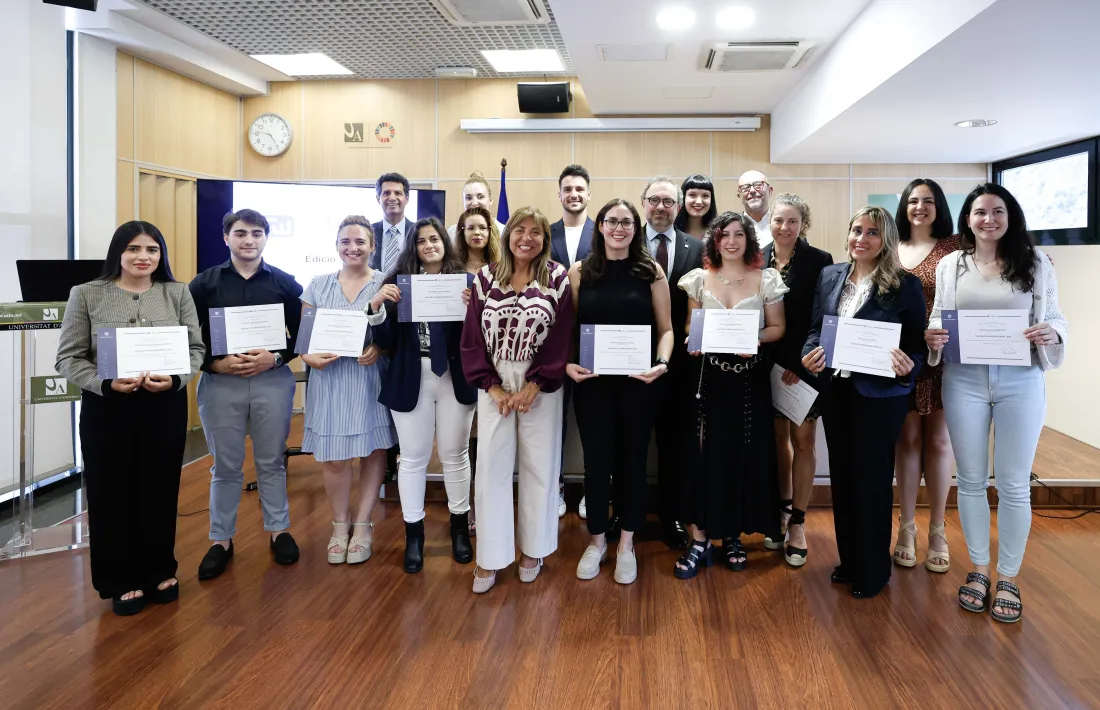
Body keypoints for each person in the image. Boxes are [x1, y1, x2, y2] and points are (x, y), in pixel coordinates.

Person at [927, 183, 1066, 623]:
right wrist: (933, 338)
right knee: (968, 478)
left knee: (1012, 483)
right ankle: (979, 570)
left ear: (1011, 217)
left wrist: (1053, 333)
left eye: (998, 211)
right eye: (980, 211)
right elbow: (938, 319)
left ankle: (1008, 575)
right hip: (964, 379)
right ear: (967, 219)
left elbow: (1056, 318)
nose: (989, 219)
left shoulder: (1037, 262)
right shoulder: (951, 265)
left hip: (1021, 379)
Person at [55, 221, 205, 616]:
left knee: (158, 490)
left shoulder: (177, 292)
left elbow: (195, 349)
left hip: (163, 405)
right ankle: (119, 580)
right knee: (111, 493)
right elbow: (68, 357)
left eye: (152, 250)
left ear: (161, 255)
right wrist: (104, 384)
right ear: (117, 253)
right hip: (108, 409)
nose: (143, 257)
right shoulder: (86, 294)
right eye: (134, 249)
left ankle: (159, 570)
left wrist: (174, 379)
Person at [801, 206, 926, 598]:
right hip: (837, 393)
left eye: (872, 232)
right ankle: (850, 560)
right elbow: (815, 329)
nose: (862, 238)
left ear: (885, 239)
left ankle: (873, 572)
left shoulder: (905, 284)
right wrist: (809, 354)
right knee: (842, 478)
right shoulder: (830, 275)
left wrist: (909, 365)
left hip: (880, 396)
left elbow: (916, 345)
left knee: (871, 482)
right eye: (857, 230)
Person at [461, 206, 574, 594]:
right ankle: (490, 556)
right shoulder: (485, 279)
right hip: (493, 378)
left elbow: (562, 336)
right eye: (519, 230)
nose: (526, 237)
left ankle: (534, 550)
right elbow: (472, 337)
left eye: (536, 232)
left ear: (545, 238)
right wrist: (492, 386)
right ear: (507, 235)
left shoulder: (557, 278)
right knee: (491, 467)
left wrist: (535, 384)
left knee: (540, 466)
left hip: (539, 380)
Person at [190, 208, 304, 580]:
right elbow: (187, 338)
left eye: (256, 233)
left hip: (272, 381)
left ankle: (279, 530)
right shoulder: (203, 285)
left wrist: (276, 357)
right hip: (221, 383)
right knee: (226, 466)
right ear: (226, 238)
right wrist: (213, 364)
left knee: (271, 461)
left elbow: (303, 335)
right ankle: (220, 539)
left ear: (266, 238)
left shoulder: (284, 283)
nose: (249, 240)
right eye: (240, 233)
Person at [673, 213, 787, 578]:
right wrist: (695, 341)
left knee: (743, 455)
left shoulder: (766, 278)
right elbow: (691, 325)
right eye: (725, 235)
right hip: (709, 378)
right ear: (715, 241)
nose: (732, 241)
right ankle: (700, 537)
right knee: (705, 455)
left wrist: (753, 338)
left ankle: (732, 534)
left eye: (740, 234)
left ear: (749, 240)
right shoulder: (699, 279)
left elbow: (778, 328)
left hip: (749, 380)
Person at [567, 199, 673, 585]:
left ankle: (626, 543)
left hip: (638, 385)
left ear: (636, 227)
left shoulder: (651, 271)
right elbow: (570, 328)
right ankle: (596, 542)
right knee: (596, 465)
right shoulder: (580, 271)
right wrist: (567, 363)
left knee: (632, 465)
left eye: (626, 222)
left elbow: (666, 329)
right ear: (600, 226)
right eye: (611, 221)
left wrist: (662, 362)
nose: (619, 228)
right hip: (592, 386)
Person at [370, 217, 476, 572]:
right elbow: (384, 343)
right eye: (421, 241)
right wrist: (377, 308)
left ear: (445, 242)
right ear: (412, 247)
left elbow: (478, 339)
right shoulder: (396, 284)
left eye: (435, 239)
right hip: (410, 379)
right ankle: (414, 536)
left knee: (455, 455)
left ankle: (460, 530)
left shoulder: (467, 283)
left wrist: (473, 307)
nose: (429, 245)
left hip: (454, 379)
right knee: (412, 458)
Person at [299, 216, 397, 566]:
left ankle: (363, 524)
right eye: (346, 242)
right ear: (337, 246)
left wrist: (381, 349)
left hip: (369, 378)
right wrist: (310, 357)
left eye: (360, 242)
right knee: (334, 458)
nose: (353, 248)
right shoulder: (318, 285)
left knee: (371, 452)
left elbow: (397, 335)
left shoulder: (386, 283)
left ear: (373, 246)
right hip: (329, 381)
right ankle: (339, 525)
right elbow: (304, 339)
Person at [761, 193, 834, 567]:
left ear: (802, 224)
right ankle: (780, 512)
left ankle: (799, 522)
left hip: (803, 366)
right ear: (769, 223)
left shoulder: (820, 262)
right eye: (778, 221)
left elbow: (823, 317)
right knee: (775, 441)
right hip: (764, 364)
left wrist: (801, 363)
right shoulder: (755, 257)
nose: (784, 228)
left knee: (802, 439)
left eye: (792, 221)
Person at [892, 179, 960, 573]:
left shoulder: (954, 247)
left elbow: (993, 260)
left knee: (938, 441)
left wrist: (1038, 260)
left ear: (939, 207)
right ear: (904, 206)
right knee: (908, 439)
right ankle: (905, 527)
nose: (920, 207)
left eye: (928, 201)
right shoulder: (891, 247)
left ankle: (936, 529)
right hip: (902, 358)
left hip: (942, 358)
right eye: (914, 201)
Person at [642, 175, 705, 549]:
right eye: (654, 200)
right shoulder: (625, 242)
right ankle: (626, 513)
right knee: (631, 442)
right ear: (644, 204)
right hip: (628, 362)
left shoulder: (697, 248)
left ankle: (673, 516)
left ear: (678, 207)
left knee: (675, 444)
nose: (661, 207)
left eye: (668, 201)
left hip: (682, 364)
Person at [548, 164, 595, 519]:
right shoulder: (544, 235)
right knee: (554, 419)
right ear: (560, 193)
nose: (573, 194)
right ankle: (557, 486)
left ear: (588, 193)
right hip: (552, 340)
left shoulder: (606, 231)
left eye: (580, 188)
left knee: (594, 418)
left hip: (596, 340)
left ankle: (594, 488)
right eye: (568, 189)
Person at [454, 205, 502, 537]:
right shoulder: (450, 270)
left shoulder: (502, 268)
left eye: (483, 228)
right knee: (467, 440)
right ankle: (469, 505)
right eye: (470, 228)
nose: (477, 233)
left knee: (491, 438)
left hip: (497, 358)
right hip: (460, 357)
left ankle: (492, 505)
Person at [370, 172, 416, 276]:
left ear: (407, 199)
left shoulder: (418, 231)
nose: (392, 198)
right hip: (375, 291)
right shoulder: (368, 232)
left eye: (398, 193)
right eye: (386, 193)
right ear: (378, 199)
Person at [447, 172, 506, 240]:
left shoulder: (503, 231)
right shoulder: (453, 232)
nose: (474, 203)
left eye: (480, 197)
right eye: (469, 198)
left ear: (490, 200)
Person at [738, 170, 774, 249]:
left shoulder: (783, 226)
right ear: (739, 195)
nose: (752, 191)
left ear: (770, 190)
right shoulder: (731, 228)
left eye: (758, 185)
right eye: (745, 187)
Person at [674, 174, 717, 239]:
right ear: (683, 198)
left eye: (705, 196)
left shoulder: (718, 233)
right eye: (692, 195)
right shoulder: (671, 232)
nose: (699, 201)